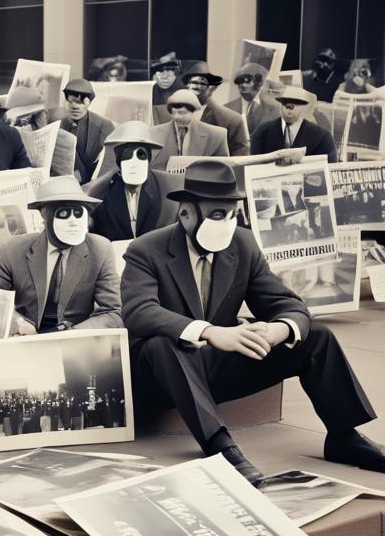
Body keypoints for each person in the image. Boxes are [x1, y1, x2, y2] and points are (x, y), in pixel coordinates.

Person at [121, 162, 385, 486]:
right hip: (162, 376)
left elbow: (286, 303)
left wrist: (279, 329)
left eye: (233, 215)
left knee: (315, 335)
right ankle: (219, 445)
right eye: (218, 215)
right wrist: (210, 331)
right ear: (187, 213)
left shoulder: (243, 245)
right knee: (164, 342)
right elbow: (138, 311)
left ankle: (344, 435)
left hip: (215, 367)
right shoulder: (146, 250)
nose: (228, 224)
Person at [0, 175, 122, 334]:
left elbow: (113, 313)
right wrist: (18, 323)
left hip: (74, 342)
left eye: (78, 213)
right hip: (23, 339)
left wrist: (72, 332)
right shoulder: (13, 249)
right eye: (63, 213)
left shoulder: (100, 249)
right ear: (44, 214)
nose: (73, 221)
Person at [84, 121, 178, 241]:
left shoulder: (168, 187)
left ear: (149, 161)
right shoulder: (102, 193)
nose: (134, 163)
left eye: (141, 155)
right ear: (119, 163)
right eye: (127, 156)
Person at [47, 79, 114, 183]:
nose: (75, 106)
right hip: (61, 182)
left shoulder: (104, 126)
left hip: (94, 184)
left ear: (89, 102)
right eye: (71, 101)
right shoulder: (54, 122)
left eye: (81, 102)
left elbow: (109, 163)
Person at [249, 86, 338, 161]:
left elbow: (329, 168)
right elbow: (252, 164)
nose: (290, 107)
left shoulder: (322, 137)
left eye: (297, 103)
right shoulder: (262, 132)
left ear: (306, 107)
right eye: (285, 102)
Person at [179, 61, 249, 156]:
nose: (196, 86)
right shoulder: (171, 114)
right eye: (192, 82)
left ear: (211, 87)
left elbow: (239, 161)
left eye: (202, 82)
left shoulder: (231, 120)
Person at [148, 89, 229, 169]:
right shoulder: (152, 134)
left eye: (182, 112)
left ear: (195, 112)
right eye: (173, 112)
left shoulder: (217, 135)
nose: (176, 117)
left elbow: (223, 171)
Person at [226, 63, 279, 133]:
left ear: (259, 83)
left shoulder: (276, 110)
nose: (242, 85)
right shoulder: (226, 110)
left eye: (247, 81)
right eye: (239, 81)